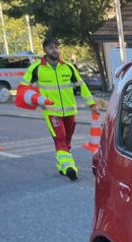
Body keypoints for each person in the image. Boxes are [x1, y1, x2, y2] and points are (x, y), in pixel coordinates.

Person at [22, 38, 96, 180]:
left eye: (56, 47)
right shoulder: (36, 68)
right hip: (51, 112)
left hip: (70, 111)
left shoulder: (68, 67)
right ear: (45, 50)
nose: (54, 50)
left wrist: (91, 104)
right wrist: (36, 100)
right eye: (51, 47)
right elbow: (24, 88)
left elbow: (82, 86)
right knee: (60, 138)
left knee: (67, 140)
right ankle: (70, 167)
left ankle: (62, 166)